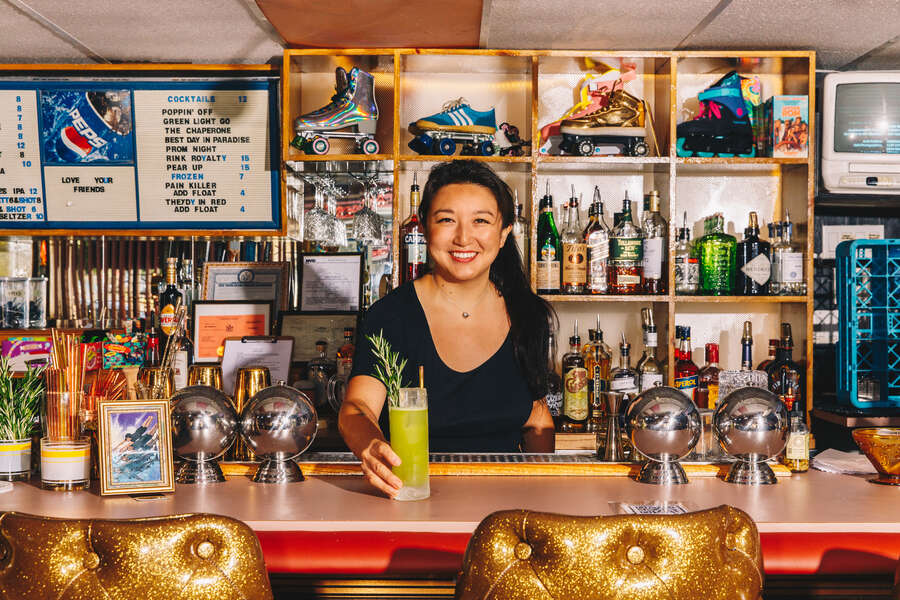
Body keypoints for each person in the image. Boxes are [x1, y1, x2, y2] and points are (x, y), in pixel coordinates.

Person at [339, 160, 557, 497]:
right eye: (446, 220)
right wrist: (369, 445)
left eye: (480, 221)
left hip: (505, 503)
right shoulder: (392, 316)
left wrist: (543, 490)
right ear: (425, 228)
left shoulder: (528, 315)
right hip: (413, 496)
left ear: (503, 233)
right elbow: (357, 407)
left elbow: (537, 417)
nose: (463, 238)